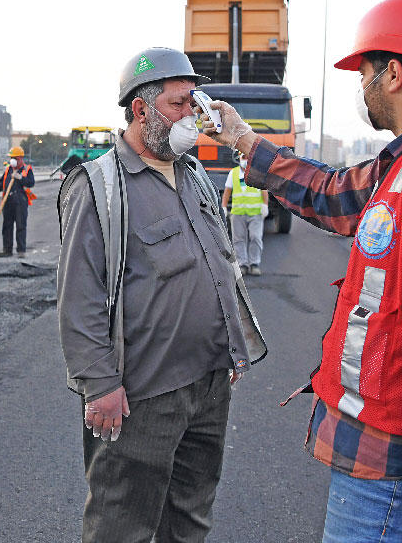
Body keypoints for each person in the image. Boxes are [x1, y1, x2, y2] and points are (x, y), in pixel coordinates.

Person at [200, 0, 402, 542]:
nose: (362, 88)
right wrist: (243, 140)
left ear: (394, 74)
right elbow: (332, 193)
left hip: (395, 475)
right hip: (377, 455)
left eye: (363, 74)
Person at [57, 47, 267, 542]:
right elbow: (79, 296)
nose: (192, 115)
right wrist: (100, 385)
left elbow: (220, 264)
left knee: (191, 518)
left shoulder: (194, 175)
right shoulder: (98, 185)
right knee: (121, 525)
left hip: (210, 383)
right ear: (140, 109)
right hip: (144, 394)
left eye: (194, 102)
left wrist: (232, 344)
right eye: (178, 104)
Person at [221, 152, 269, 275]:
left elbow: (264, 190)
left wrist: (265, 205)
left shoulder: (258, 173)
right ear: (239, 158)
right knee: (238, 240)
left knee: (256, 238)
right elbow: (227, 191)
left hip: (255, 212)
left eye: (248, 157)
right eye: (244, 157)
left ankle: (254, 264)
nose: (246, 160)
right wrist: (224, 207)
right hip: (238, 213)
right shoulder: (233, 173)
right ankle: (242, 264)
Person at [0, 146, 34, 258]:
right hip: (8, 201)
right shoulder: (8, 169)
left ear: (20, 158)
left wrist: (20, 178)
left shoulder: (27, 169)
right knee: (7, 226)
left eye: (14, 158)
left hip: (20, 201)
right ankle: (7, 250)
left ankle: (21, 250)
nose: (12, 160)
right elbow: (3, 182)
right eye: (11, 158)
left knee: (20, 226)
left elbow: (31, 183)